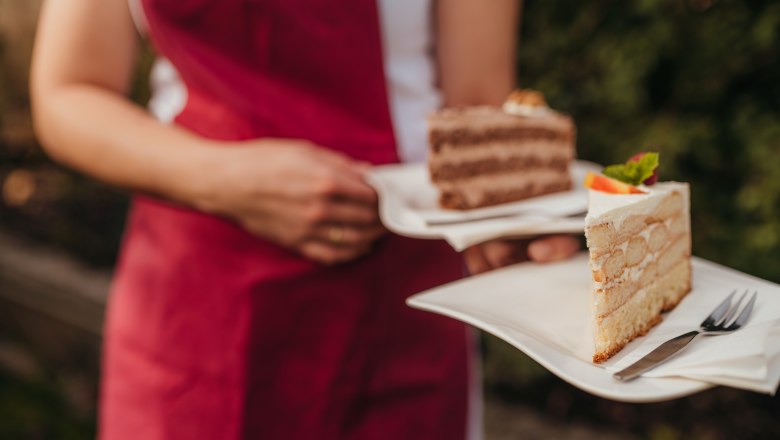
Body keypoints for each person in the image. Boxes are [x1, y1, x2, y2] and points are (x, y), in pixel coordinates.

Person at [30, 0, 579, 438]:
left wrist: (514, 219)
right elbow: (69, 90)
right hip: (194, 301)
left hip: (401, 302)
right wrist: (220, 179)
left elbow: (477, 104)